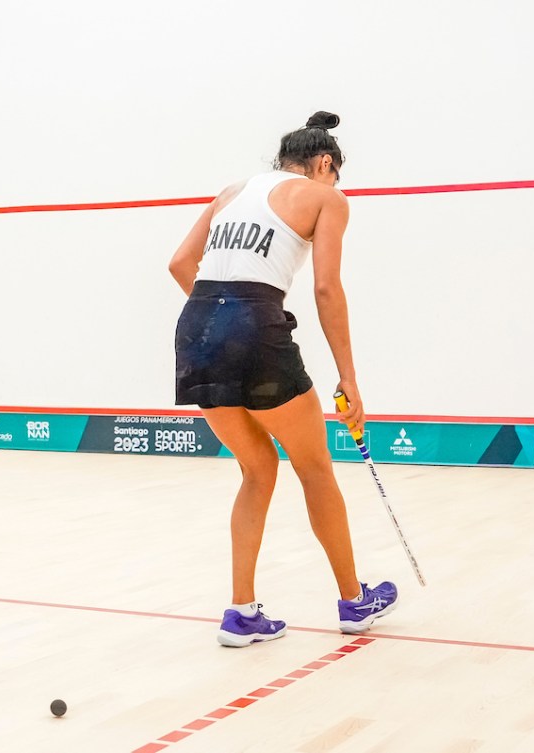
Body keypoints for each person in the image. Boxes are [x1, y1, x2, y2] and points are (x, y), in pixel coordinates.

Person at [168, 111, 397, 643]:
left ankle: (241, 612)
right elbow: (325, 290)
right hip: (254, 327)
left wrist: (222, 327)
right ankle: (353, 601)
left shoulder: (230, 191)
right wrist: (350, 379)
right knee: (314, 466)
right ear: (324, 164)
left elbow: (181, 264)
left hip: (196, 330)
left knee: (256, 469)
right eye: (335, 174)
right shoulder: (327, 199)